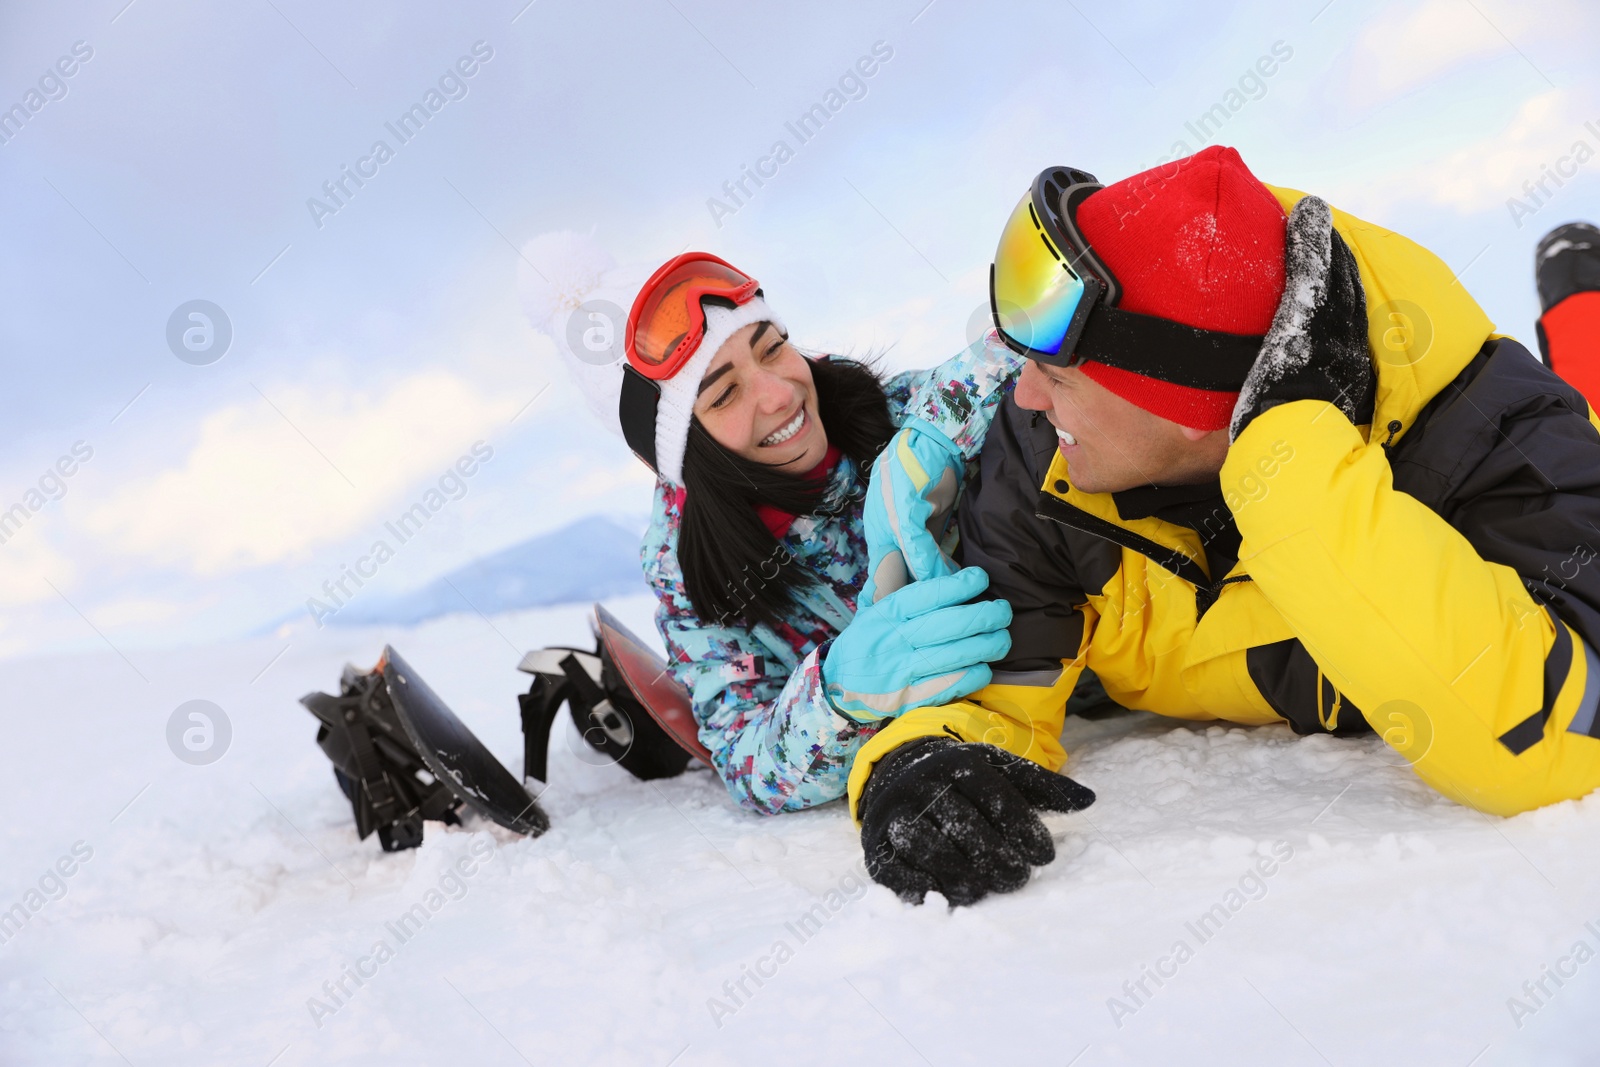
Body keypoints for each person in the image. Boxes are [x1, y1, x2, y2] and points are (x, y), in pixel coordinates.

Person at [850, 146, 1600, 906]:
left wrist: (1292, 473)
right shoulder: (1043, 464)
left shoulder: (1496, 436)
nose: (1023, 398)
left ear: (1187, 405)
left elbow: (1559, 737)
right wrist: (915, 760)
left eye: (1060, 379)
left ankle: (1581, 300)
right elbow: (996, 690)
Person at [520, 236, 1095, 816]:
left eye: (772, 349)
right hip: (981, 730)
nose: (779, 393)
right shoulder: (693, 576)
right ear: (680, 456)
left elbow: (1038, 342)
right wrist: (842, 692)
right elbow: (746, 763)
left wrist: (938, 437)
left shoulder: (890, 416)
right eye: (724, 394)